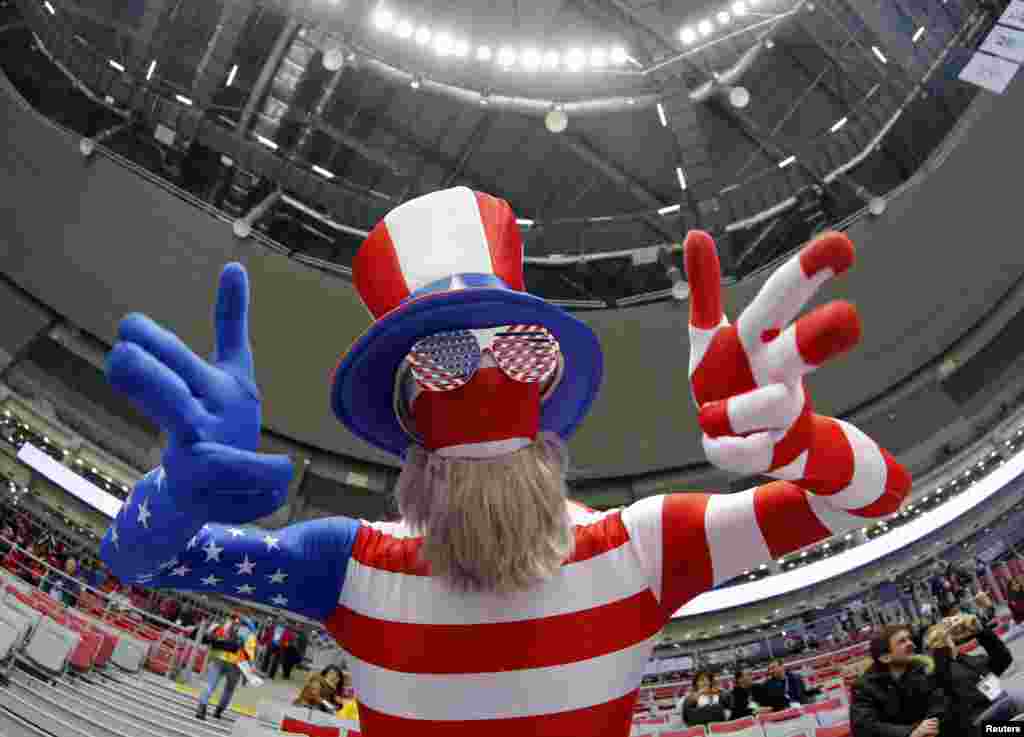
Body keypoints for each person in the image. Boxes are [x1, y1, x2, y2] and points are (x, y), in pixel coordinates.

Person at [99, 192, 912, 735]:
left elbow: (875, 497)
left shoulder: (643, 548)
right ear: (405, 415)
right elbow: (132, 556)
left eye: (520, 351)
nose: (488, 379)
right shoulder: (346, 564)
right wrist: (177, 491)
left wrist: (804, 444)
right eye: (447, 358)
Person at [926, 610, 1018, 735]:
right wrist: (941, 648)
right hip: (978, 725)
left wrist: (980, 631)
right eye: (941, 636)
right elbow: (945, 681)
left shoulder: (970, 660)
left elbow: (1003, 659)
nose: (947, 633)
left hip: (1003, 708)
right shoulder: (938, 675)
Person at [850, 624, 945, 737]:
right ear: (885, 658)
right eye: (902, 641)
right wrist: (911, 732)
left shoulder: (922, 669)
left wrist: (928, 726)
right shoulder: (864, 686)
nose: (911, 643)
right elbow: (864, 727)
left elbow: (939, 700)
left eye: (909, 639)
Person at [196, 612, 258, 721]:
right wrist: (248, 673)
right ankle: (218, 711)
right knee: (229, 689)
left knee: (210, 685)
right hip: (235, 665)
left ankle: (201, 708)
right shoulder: (250, 634)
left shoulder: (225, 625)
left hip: (218, 658)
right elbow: (249, 655)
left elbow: (211, 639)